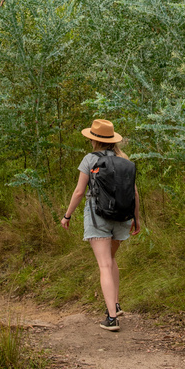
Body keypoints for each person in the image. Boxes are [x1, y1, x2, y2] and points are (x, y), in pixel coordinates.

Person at [60, 118, 141, 331]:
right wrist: (137, 219)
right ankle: (114, 303)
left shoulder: (90, 159)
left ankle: (112, 318)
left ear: (94, 140)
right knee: (111, 259)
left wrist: (67, 216)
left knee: (104, 264)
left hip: (98, 217)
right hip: (123, 218)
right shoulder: (125, 161)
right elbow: (134, 193)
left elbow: (79, 192)